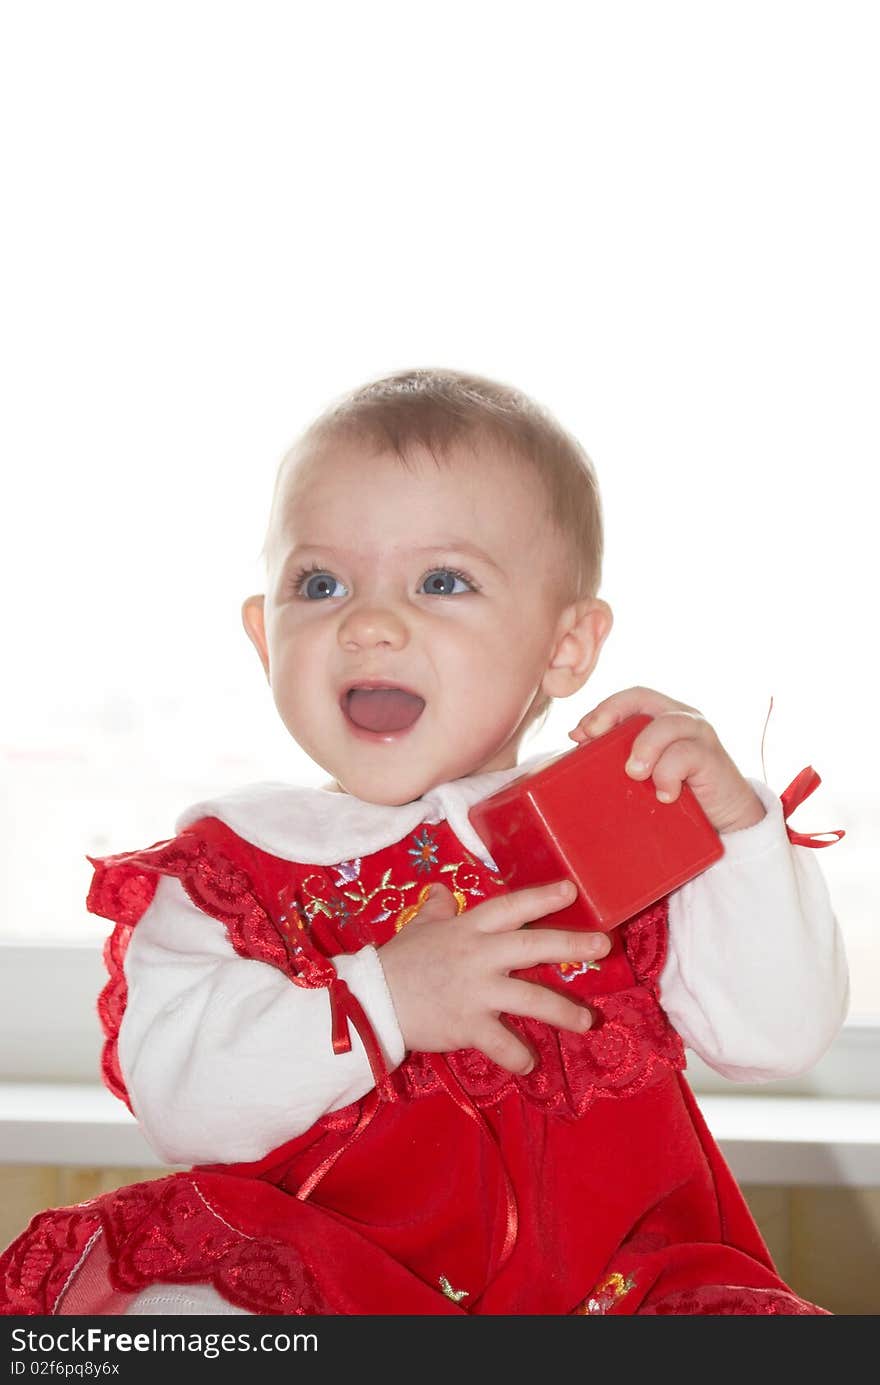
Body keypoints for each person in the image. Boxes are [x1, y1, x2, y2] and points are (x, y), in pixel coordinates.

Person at [0, 368, 847, 1317]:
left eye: (442, 581)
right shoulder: (231, 868)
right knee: (180, 1316)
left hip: (614, 1288)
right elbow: (179, 1101)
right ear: (263, 635)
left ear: (566, 647)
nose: (367, 622)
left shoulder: (608, 828)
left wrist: (738, 832)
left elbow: (774, 1036)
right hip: (330, 1278)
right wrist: (387, 995)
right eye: (320, 583)